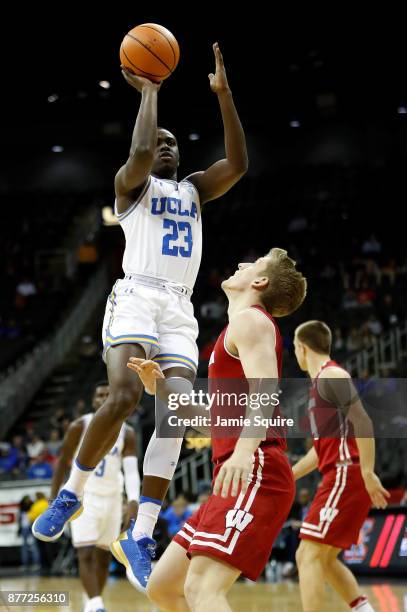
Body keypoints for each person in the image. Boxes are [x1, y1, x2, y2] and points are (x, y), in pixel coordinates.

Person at [33, 41, 248, 592]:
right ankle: (72, 491)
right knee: (125, 396)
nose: (166, 147)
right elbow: (137, 153)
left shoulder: (194, 190)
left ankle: (143, 531)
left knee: (174, 415)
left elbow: (239, 164)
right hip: (136, 298)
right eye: (158, 142)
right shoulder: (132, 187)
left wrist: (224, 97)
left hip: (178, 306)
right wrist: (151, 91)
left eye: (173, 142)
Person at [122, 248, 306, 610]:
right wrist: (160, 388)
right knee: (162, 586)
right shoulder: (235, 332)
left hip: (256, 469)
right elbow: (212, 423)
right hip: (237, 469)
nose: (240, 263)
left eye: (251, 263)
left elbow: (266, 389)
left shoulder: (250, 321)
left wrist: (242, 452)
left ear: (259, 281)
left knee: (202, 588)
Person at [292, 320, 390, 612]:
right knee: (323, 558)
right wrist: (290, 475)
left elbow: (363, 420)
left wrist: (367, 471)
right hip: (339, 473)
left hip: (347, 473)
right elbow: (320, 451)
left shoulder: (331, 375)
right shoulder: (320, 384)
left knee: (306, 554)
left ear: (302, 348)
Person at [34, 382, 140, 612]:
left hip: (113, 497)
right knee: (85, 551)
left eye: (108, 395)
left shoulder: (128, 432)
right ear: (93, 401)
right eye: (99, 395)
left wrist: (133, 500)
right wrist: (54, 499)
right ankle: (96, 603)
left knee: (103, 555)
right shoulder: (79, 426)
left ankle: (93, 601)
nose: (103, 399)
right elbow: (62, 462)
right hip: (86, 496)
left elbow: (131, 470)